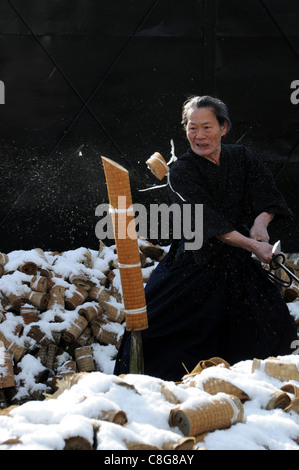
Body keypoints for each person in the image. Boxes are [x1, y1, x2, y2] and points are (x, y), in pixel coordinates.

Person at [114, 95, 298, 382]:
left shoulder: (244, 158)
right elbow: (206, 221)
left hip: (240, 263)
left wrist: (260, 224)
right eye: (191, 127)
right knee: (158, 331)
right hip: (195, 263)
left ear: (224, 128)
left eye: (207, 127)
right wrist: (252, 245)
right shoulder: (181, 172)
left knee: (274, 327)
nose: (199, 136)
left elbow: (267, 196)